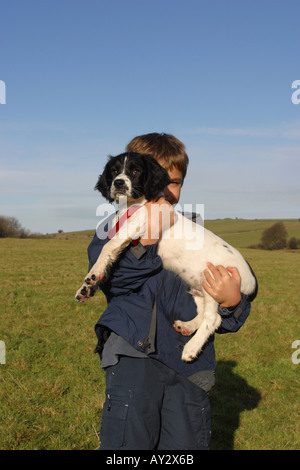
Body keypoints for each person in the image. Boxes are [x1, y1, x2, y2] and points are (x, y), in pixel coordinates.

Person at [87, 133, 254, 450]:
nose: (164, 189)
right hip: (132, 359)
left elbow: (227, 314)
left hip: (189, 368)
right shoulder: (111, 228)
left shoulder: (194, 234)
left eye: (173, 182)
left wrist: (233, 302)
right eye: (153, 178)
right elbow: (112, 282)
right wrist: (146, 241)